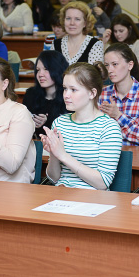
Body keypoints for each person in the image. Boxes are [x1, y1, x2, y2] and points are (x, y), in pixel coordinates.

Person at [41, 62, 122, 190]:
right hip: (61, 193)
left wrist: (63, 155)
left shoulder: (109, 128)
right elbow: (54, 178)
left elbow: (103, 183)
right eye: (65, 88)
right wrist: (54, 154)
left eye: (73, 90)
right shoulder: (59, 123)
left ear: (92, 93)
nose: (66, 95)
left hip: (91, 197)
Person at [100, 43, 139, 146]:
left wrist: (118, 116)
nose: (109, 70)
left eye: (115, 64)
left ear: (130, 65)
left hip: (137, 153)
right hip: (109, 152)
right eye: (107, 65)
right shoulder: (103, 93)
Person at [22, 50, 69, 137]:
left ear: (58, 70)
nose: (40, 74)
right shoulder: (31, 95)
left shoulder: (68, 96)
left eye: (46, 69)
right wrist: (32, 123)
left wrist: (48, 122)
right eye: (38, 70)